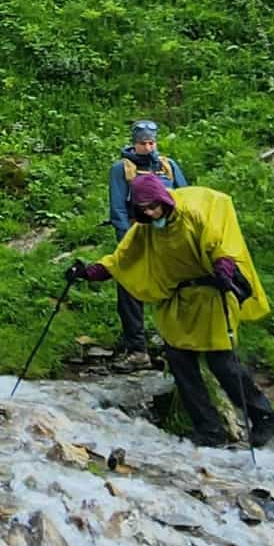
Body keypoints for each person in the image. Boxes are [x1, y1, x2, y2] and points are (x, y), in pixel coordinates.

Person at [67, 175, 274, 449]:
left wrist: (224, 267)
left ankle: (262, 415)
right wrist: (87, 272)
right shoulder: (145, 230)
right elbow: (121, 259)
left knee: (222, 363)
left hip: (209, 297)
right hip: (177, 302)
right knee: (181, 364)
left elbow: (218, 245)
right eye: (144, 209)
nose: (151, 213)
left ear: (163, 199)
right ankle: (209, 429)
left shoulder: (192, 217)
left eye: (154, 206)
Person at [105, 120, 187, 364]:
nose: (149, 147)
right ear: (135, 144)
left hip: (168, 237)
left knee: (176, 288)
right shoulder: (122, 169)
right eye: (143, 143)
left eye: (152, 142)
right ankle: (136, 347)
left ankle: (176, 343)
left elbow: (186, 197)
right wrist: (125, 242)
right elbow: (118, 208)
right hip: (137, 234)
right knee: (129, 288)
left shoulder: (168, 166)